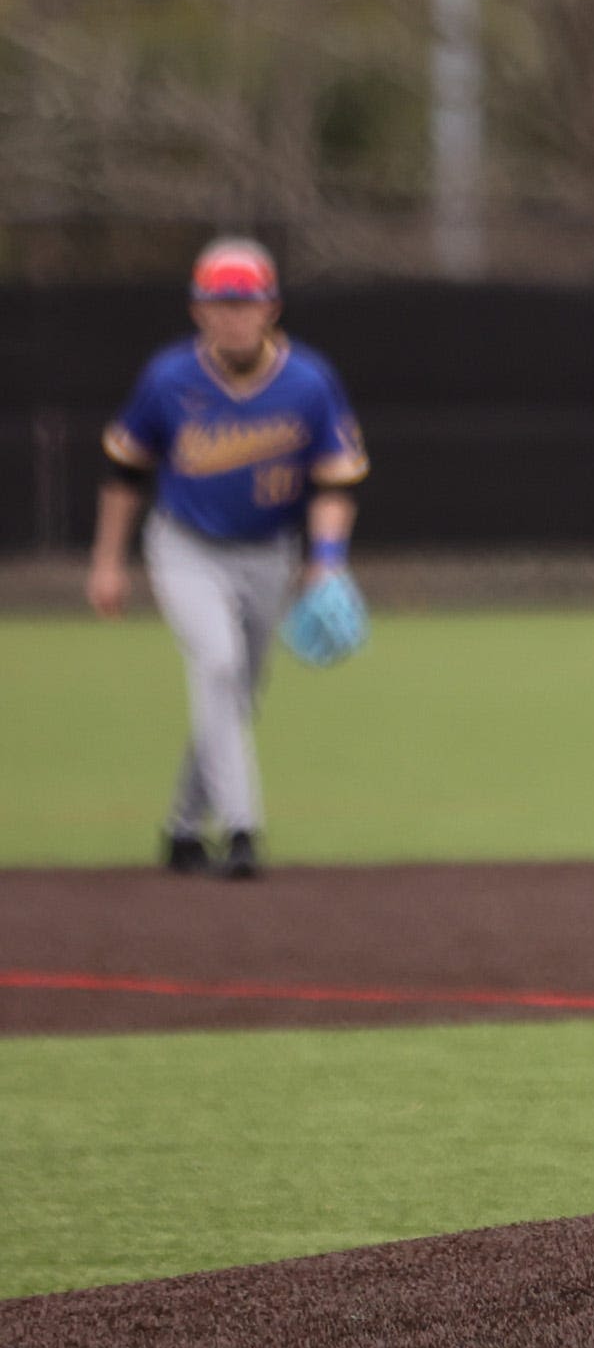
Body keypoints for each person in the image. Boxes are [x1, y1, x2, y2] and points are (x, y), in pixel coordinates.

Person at [88, 237, 369, 880]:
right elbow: (123, 473)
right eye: (221, 303)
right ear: (198, 310)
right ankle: (243, 830)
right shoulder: (169, 378)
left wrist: (327, 561)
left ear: (272, 307)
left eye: (246, 302)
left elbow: (336, 483)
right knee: (216, 665)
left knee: (237, 694)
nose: (234, 315)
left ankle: (183, 829)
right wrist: (108, 563)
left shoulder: (309, 381)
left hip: (270, 551)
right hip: (185, 547)